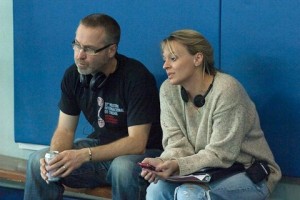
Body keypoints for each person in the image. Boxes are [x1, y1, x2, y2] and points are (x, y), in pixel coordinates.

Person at [24, 13, 162, 200]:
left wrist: (83, 155)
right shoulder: (73, 75)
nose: (79, 55)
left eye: (89, 49)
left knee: (122, 167)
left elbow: (137, 143)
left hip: (143, 156)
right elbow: (65, 130)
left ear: (111, 50)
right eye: (77, 45)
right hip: (100, 151)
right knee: (37, 161)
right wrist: (55, 158)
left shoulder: (136, 78)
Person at [140, 29, 281, 200]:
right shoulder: (168, 90)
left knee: (189, 195)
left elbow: (221, 154)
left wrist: (178, 165)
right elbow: (176, 144)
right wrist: (163, 162)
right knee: (156, 190)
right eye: (165, 59)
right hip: (202, 170)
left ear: (197, 58)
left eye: (173, 58)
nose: (165, 65)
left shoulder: (227, 90)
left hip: (247, 171)